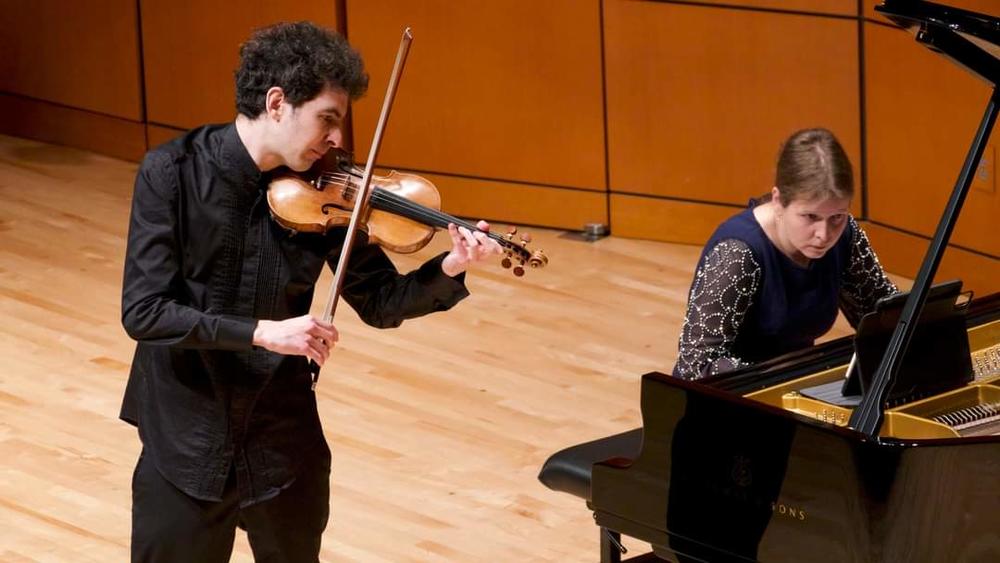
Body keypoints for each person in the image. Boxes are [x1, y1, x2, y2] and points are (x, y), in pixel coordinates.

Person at [120, 21, 501, 562]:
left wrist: (454, 263)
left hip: (281, 438)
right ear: (277, 103)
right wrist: (263, 333)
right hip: (186, 436)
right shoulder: (171, 174)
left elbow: (381, 302)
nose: (337, 140)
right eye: (327, 119)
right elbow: (145, 312)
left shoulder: (328, 193)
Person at [673, 128, 898, 380]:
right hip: (734, 398)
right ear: (778, 200)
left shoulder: (845, 236)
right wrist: (780, 378)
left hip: (796, 384)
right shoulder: (738, 252)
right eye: (810, 216)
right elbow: (695, 366)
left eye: (837, 216)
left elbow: (885, 316)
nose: (824, 234)